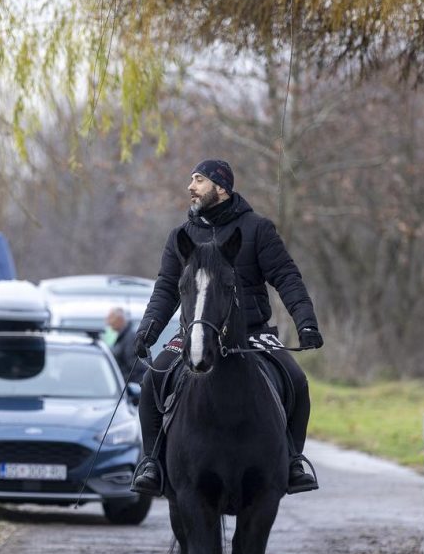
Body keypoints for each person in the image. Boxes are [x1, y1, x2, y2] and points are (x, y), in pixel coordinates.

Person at [131, 159, 324, 496]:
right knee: (153, 378)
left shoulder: (258, 229)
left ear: (221, 187)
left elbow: (287, 278)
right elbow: (165, 288)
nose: (191, 187)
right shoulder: (181, 236)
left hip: (251, 333)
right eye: (191, 179)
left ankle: (292, 461)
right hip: (195, 332)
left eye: (199, 180)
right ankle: (152, 463)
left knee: (297, 381)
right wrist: (148, 330)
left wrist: (306, 322)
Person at [105, 306, 141, 382]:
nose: (108, 323)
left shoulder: (130, 338)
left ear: (120, 319)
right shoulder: (122, 337)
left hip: (130, 386)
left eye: (110, 319)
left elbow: (135, 368)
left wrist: (120, 380)